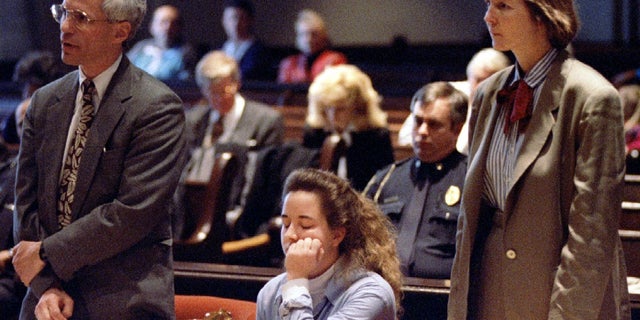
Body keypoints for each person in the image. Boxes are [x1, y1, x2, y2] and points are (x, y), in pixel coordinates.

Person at [448, 0, 631, 319]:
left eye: (504, 6)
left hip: (557, 296)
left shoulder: (593, 98)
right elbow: (472, 217)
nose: (488, 17)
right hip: (488, 289)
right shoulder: (488, 92)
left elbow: (591, 236)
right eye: (489, 4)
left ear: (544, 17)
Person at [12, 0, 186, 318]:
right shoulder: (44, 101)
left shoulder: (157, 107)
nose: (65, 26)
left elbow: (132, 213)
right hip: (46, 293)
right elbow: (25, 203)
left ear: (120, 31)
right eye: (63, 12)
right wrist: (46, 285)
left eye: (81, 17)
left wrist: (47, 253)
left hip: (121, 295)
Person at [256, 168, 402, 320]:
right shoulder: (270, 293)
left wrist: (296, 282)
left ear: (336, 235)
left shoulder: (372, 293)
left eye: (305, 225)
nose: (290, 235)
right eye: (286, 224)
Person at [364, 81, 468, 279]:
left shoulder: (471, 179)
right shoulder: (387, 178)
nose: (422, 131)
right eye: (418, 121)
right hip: (384, 292)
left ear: (457, 129)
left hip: (442, 298)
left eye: (434, 124)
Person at [397, 48, 511, 155]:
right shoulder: (447, 95)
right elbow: (405, 137)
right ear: (469, 78)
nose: (483, 87)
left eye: (490, 81)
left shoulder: (509, 103)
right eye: (478, 80)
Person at [301, 64, 394, 191]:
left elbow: (384, 182)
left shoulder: (376, 135)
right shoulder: (314, 132)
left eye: (341, 108)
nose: (333, 115)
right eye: (328, 107)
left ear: (358, 106)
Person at [1, 51, 66, 149]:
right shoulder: (17, 115)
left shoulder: (64, 112)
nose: (26, 91)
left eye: (31, 83)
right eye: (26, 84)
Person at [127, 4, 196, 82]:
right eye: (163, 22)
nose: (168, 27)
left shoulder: (186, 53)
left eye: (173, 23)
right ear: (152, 26)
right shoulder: (140, 48)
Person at [277, 9, 347, 84]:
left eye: (313, 34)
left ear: (323, 36)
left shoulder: (334, 60)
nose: (308, 40)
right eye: (303, 34)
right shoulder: (289, 64)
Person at [220, 0, 274, 81]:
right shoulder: (218, 51)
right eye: (231, 18)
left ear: (250, 21)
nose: (236, 23)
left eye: (241, 18)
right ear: (224, 21)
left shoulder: (260, 52)